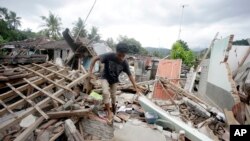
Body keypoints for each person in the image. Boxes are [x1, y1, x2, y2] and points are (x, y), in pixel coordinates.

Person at [88, 43, 139, 122]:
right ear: (116, 52)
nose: (121, 58)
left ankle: (114, 109)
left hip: (114, 80)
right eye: (119, 55)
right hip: (105, 77)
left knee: (113, 97)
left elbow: (130, 75)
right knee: (105, 93)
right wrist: (90, 71)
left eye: (123, 55)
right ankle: (109, 112)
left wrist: (136, 88)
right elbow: (95, 58)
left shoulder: (124, 63)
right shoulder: (109, 55)